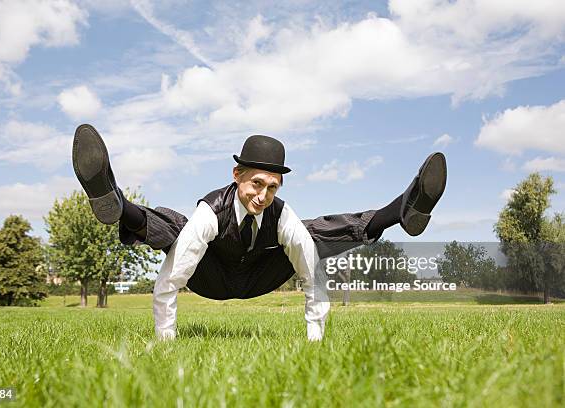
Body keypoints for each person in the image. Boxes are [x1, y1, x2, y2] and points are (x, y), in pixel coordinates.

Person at [72, 124, 447, 341]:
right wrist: (166, 341)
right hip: (210, 278)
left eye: (273, 187)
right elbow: (172, 280)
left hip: (258, 277)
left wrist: (314, 339)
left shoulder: (281, 216)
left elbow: (310, 275)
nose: (263, 195)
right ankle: (114, 201)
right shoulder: (210, 213)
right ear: (236, 176)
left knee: (309, 235)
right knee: (177, 229)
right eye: (256, 183)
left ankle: (403, 207)